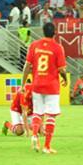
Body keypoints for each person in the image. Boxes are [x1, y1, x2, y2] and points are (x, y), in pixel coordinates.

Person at [21, 21, 67, 154]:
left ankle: (35, 135)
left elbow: (27, 66)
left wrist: (23, 84)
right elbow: (62, 69)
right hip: (51, 86)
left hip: (37, 84)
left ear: (43, 32)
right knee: (51, 115)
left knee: (37, 113)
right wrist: (64, 79)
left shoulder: (34, 45)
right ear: (55, 33)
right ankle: (47, 146)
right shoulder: (58, 48)